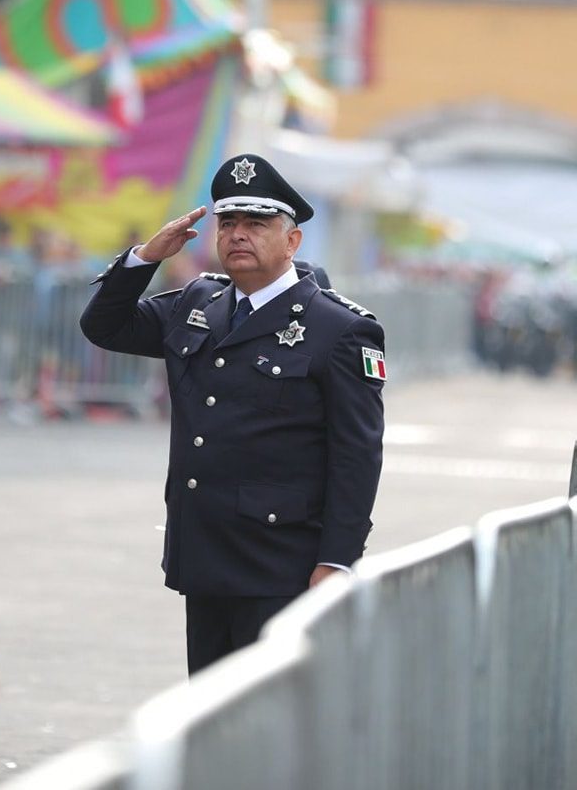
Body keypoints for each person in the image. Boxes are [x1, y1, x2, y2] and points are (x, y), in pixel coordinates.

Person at [80, 154, 385, 675]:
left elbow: (357, 454)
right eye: (229, 223)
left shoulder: (338, 329)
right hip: (204, 553)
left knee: (275, 724)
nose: (238, 235)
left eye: (257, 224)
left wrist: (336, 561)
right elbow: (104, 327)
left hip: (281, 562)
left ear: (292, 241)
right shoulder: (200, 302)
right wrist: (145, 258)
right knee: (209, 715)